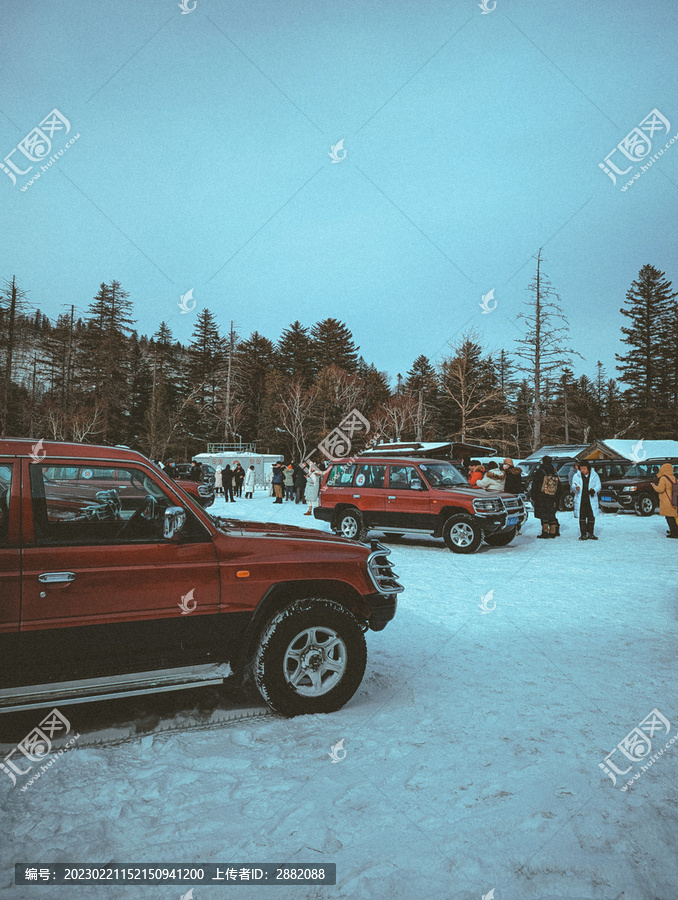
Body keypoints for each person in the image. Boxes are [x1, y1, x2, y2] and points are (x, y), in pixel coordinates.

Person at [531, 455, 560, 538]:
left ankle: (545, 532)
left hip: (541, 495)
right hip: (552, 496)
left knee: (543, 513)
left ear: (542, 462)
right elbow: (559, 486)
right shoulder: (554, 472)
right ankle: (553, 531)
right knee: (551, 513)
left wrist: (533, 495)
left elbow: (535, 484)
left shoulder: (540, 471)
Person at [572, 459, 601, 540]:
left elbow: (598, 485)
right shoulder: (576, 476)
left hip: (590, 499)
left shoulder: (594, 475)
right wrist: (575, 488)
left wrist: (594, 490)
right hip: (581, 499)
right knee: (582, 516)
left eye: (584, 468)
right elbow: (573, 485)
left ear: (588, 468)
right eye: (581, 468)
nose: (582, 470)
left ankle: (591, 533)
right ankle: (583, 534)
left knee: (591, 516)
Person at [651, 463, 678, 538]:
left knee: (669, 517)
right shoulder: (674, 478)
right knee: (673, 516)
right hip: (674, 499)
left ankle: (674, 533)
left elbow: (660, 489)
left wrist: (653, 485)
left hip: (666, 500)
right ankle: (675, 530)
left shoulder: (663, 478)